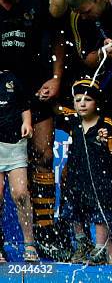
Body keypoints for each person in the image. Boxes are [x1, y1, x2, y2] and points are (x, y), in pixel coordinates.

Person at [0, 0, 66, 260]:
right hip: (2, 95)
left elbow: (57, 40)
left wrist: (56, 78)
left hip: (36, 86)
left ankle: (44, 230)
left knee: (42, 154)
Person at [61, 79, 112, 265]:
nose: (82, 104)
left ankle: (102, 248)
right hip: (76, 178)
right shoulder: (73, 122)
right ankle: (82, 244)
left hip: (100, 179)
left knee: (100, 213)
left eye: (87, 99)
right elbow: (57, 108)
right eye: (77, 100)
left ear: (97, 103)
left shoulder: (105, 124)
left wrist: (107, 142)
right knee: (74, 212)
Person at [0, 70, 38, 263]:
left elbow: (24, 105)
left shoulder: (11, 78)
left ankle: (29, 243)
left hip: (15, 144)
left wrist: (27, 123)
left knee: (21, 194)